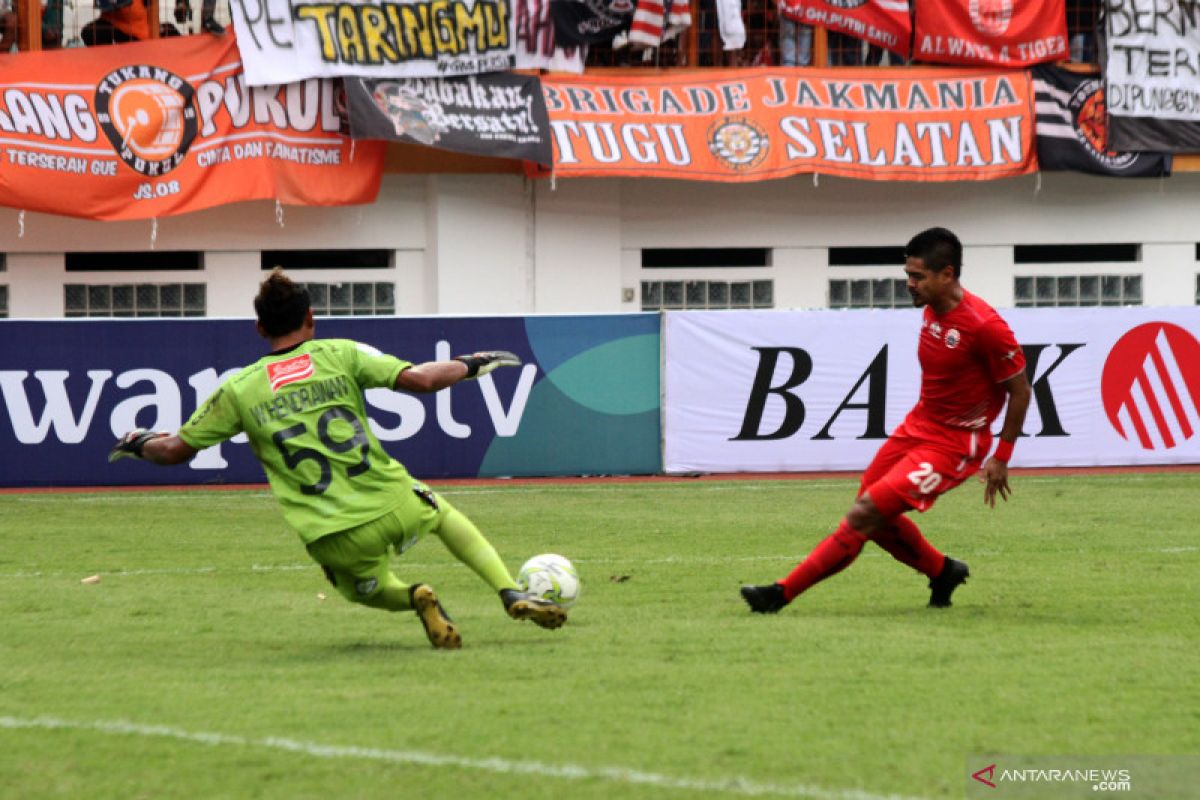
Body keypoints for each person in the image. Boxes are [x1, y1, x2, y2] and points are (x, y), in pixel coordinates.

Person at [110, 268, 568, 649]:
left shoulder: (239, 388)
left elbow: (173, 451)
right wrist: (471, 363)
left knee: (360, 590)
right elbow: (422, 381)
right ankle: (508, 589)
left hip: (330, 532)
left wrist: (138, 441)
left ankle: (415, 597)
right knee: (444, 516)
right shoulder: (340, 353)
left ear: (260, 328)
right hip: (392, 501)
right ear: (312, 317)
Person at [741, 227, 1032, 613]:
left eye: (918, 277)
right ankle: (941, 570)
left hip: (955, 444)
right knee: (870, 505)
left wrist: (1001, 456)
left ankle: (779, 595)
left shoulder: (984, 326)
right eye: (907, 275)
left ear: (947, 274)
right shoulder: (932, 307)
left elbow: (1021, 390)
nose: (909, 285)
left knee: (865, 513)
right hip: (918, 427)